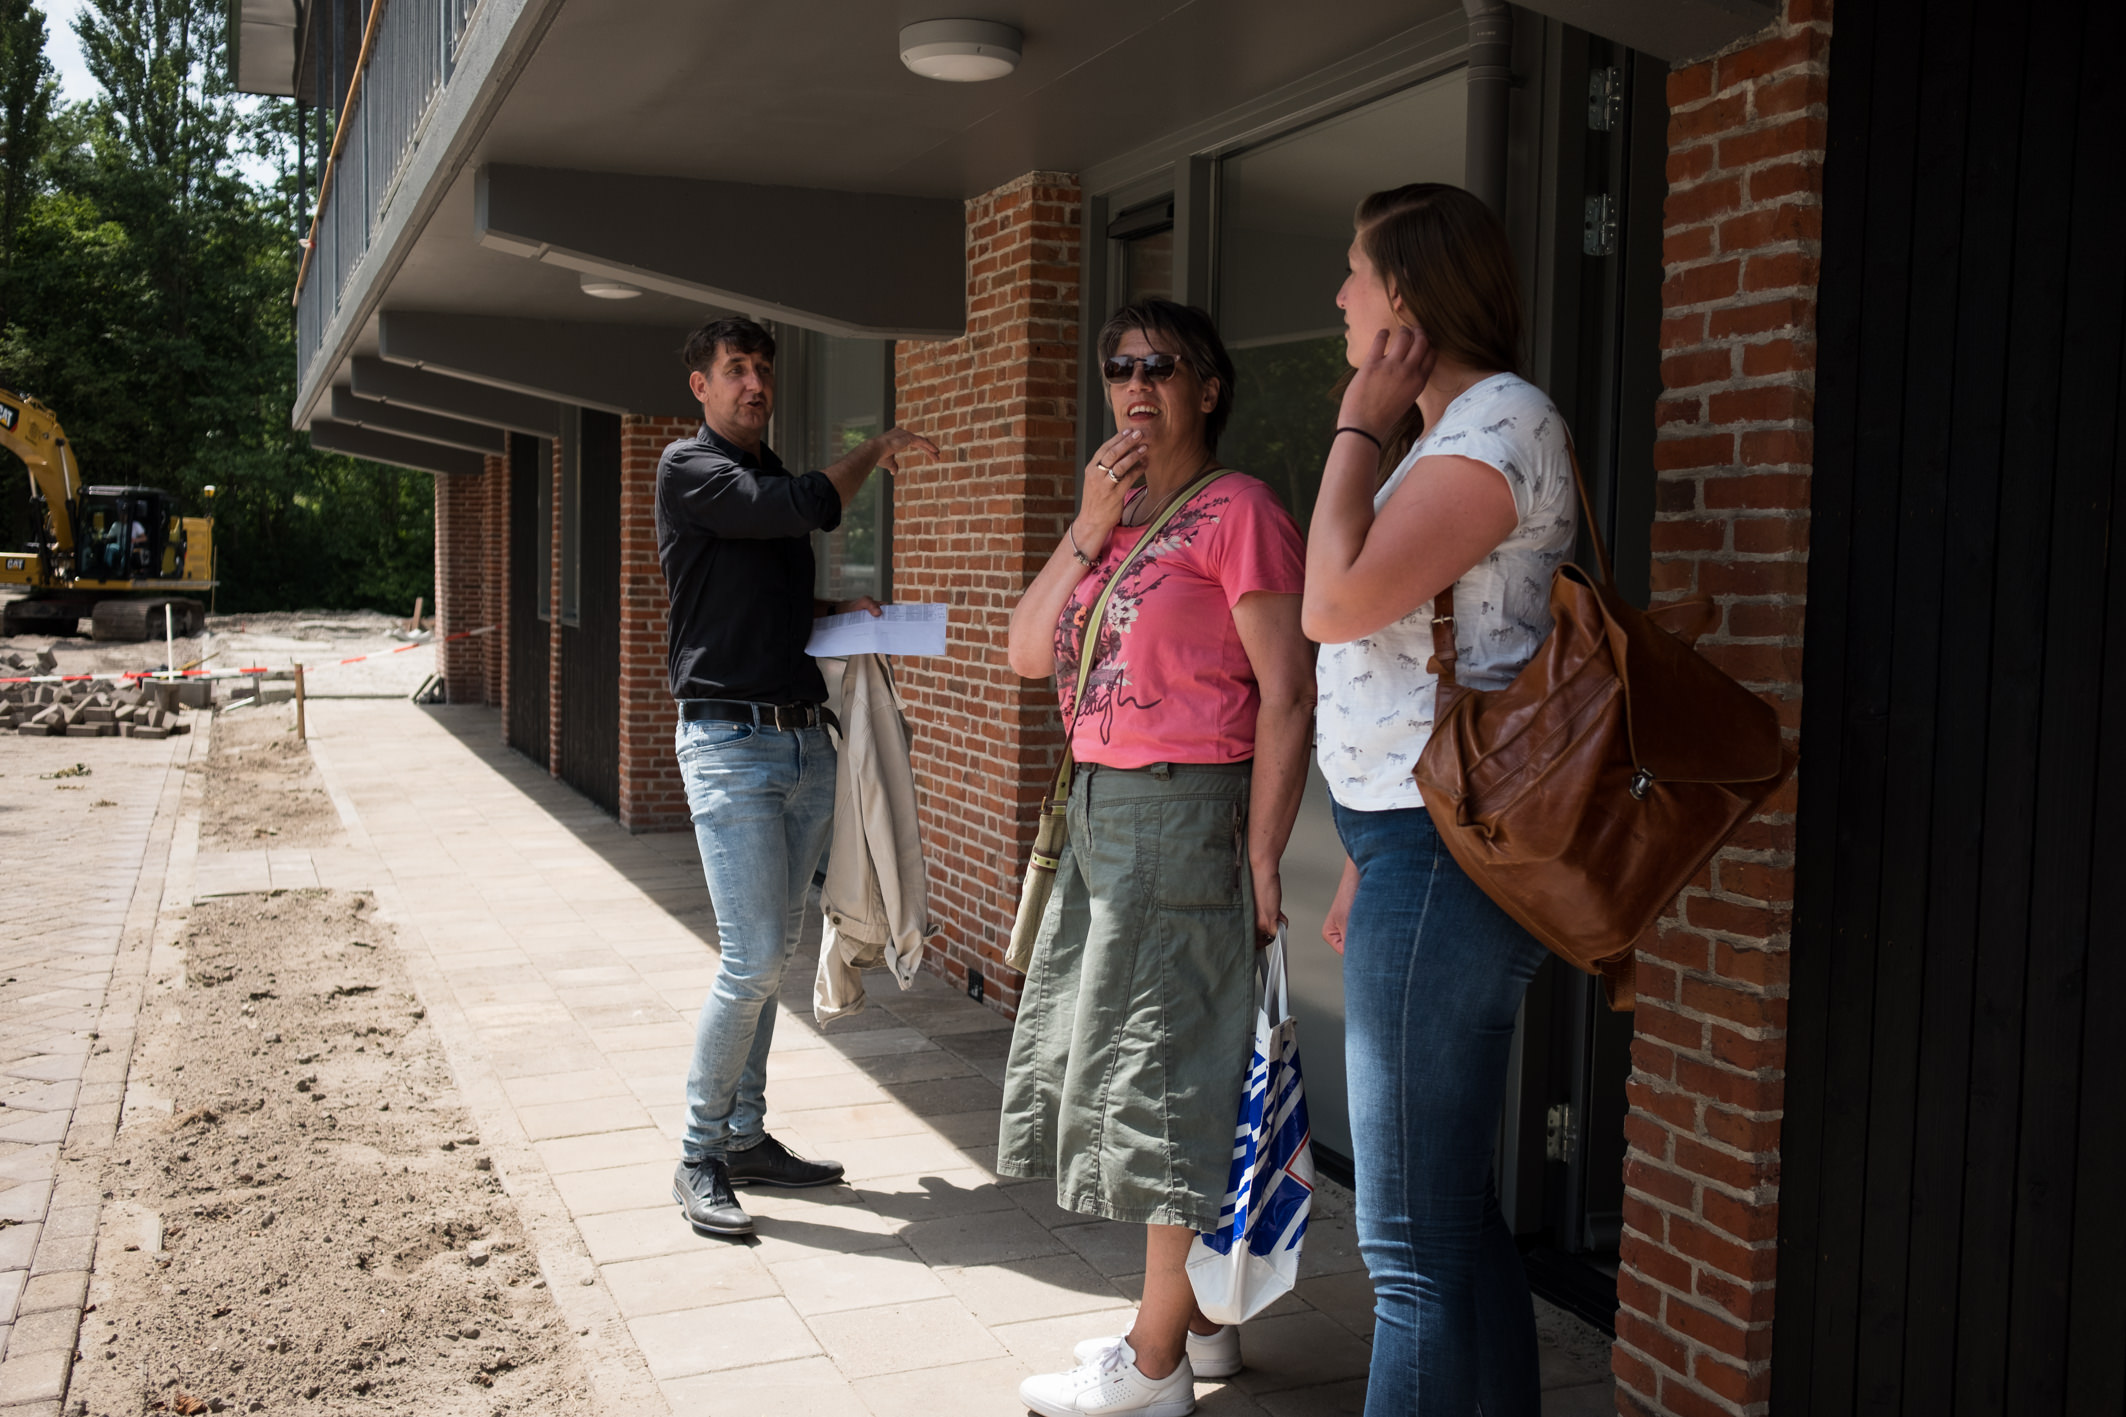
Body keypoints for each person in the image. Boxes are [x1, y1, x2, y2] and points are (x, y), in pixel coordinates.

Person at [1000, 300, 1314, 1417]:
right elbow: (1027, 652)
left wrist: (1267, 853)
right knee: (1164, 1065)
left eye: (1161, 367)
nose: (1136, 386)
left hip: (1184, 817)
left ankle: (1152, 1369)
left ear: (1207, 388)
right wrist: (1087, 524)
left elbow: (1287, 690)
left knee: (1160, 1079)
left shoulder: (1241, 513)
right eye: (1119, 367)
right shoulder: (1116, 518)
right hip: (1102, 820)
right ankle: (1205, 1330)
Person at [1303, 183, 1578, 1415]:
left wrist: (1354, 427)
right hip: (1414, 842)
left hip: (1442, 855)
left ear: (1405, 298)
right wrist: (1367, 846)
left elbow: (1331, 607)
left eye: (1356, 275)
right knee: (1451, 1219)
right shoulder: (1455, 429)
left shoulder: (1492, 426)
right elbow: (1417, 664)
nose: (1340, 296)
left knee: (1405, 1249)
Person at [659, 315, 937, 1238]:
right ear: (701, 385)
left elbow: (762, 594)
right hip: (728, 748)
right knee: (750, 959)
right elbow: (804, 507)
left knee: (770, 955)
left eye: (764, 369)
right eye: (737, 370)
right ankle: (699, 1153)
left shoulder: (767, 481)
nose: (755, 383)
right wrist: (879, 446)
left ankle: (744, 1134)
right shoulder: (690, 470)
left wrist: (834, 609)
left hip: (801, 746)